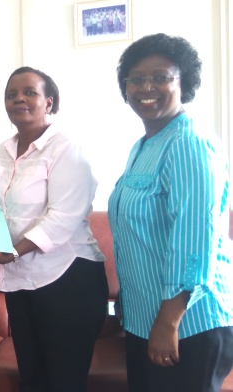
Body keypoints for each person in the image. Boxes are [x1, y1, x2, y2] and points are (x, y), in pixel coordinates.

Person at [0, 66, 108, 392]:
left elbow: (61, 218)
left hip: (67, 279)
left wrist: (11, 252)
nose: (19, 99)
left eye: (29, 92)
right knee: (31, 376)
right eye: (11, 94)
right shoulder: (3, 150)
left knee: (63, 381)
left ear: (49, 103)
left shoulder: (67, 149)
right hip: (20, 281)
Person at [108, 33, 233, 392]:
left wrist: (169, 321)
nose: (147, 86)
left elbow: (195, 240)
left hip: (187, 324)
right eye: (136, 78)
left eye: (161, 76)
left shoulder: (189, 143)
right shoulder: (144, 145)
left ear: (184, 83)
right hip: (146, 319)